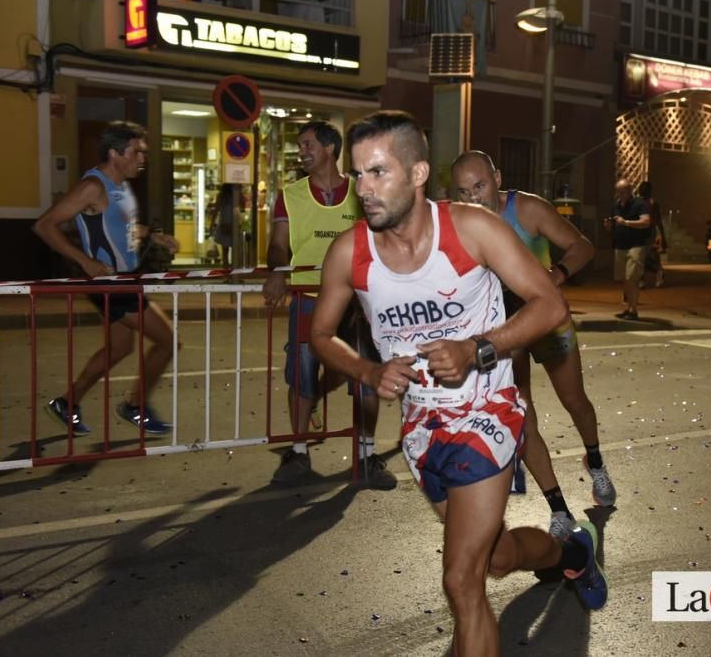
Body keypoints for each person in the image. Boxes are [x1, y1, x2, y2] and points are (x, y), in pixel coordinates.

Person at [310, 111, 609, 654]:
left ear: (418, 172)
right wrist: (370, 370)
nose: (364, 190)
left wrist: (477, 350)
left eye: (378, 173)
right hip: (422, 425)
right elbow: (322, 335)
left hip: (487, 408)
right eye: (358, 176)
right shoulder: (349, 253)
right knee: (492, 561)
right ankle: (571, 556)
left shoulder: (472, 229)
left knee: (460, 581)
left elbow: (549, 304)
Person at [451, 150, 616, 539]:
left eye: (480, 185)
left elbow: (583, 246)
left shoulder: (527, 209)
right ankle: (558, 508)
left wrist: (554, 276)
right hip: (506, 330)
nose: (475, 197)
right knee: (522, 417)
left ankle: (595, 462)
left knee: (574, 399)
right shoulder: (461, 223)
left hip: (547, 319)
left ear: (497, 176)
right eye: (464, 191)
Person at [261, 120, 395, 489]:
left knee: (366, 376)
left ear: (330, 148)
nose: (301, 151)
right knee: (302, 375)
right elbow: (278, 243)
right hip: (307, 298)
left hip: (358, 302)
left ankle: (367, 455)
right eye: (300, 146)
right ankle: (299, 452)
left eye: (308, 145)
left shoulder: (361, 191)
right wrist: (278, 270)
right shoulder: (290, 195)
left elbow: (383, 236)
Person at [33, 121, 179, 435]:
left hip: (124, 280)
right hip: (112, 285)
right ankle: (135, 407)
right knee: (169, 341)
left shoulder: (122, 186)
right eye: (136, 152)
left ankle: (67, 403)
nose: (143, 158)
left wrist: (154, 237)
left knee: (119, 348)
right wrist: (84, 261)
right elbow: (45, 225)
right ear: (114, 153)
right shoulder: (93, 187)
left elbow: (119, 228)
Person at [606, 179, 651, 319]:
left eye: (623, 191)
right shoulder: (616, 205)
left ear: (630, 190)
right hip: (620, 245)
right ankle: (628, 308)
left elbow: (646, 222)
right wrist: (608, 226)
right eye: (618, 192)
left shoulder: (639, 204)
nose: (621, 194)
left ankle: (633, 310)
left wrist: (626, 222)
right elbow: (613, 225)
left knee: (632, 277)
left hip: (636, 244)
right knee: (624, 279)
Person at [637, 181, 668, 288]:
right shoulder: (637, 202)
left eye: (644, 189)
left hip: (649, 232)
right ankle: (656, 272)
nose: (642, 191)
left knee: (644, 256)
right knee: (640, 257)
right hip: (639, 231)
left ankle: (657, 272)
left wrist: (663, 237)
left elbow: (658, 221)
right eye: (642, 189)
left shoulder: (653, 203)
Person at [211, 183, 237, 269]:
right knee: (235, 252)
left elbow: (216, 210)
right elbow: (242, 209)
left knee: (225, 253)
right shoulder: (236, 196)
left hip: (223, 224)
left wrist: (212, 223)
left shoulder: (221, 196)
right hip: (234, 225)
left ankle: (226, 273)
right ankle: (234, 274)